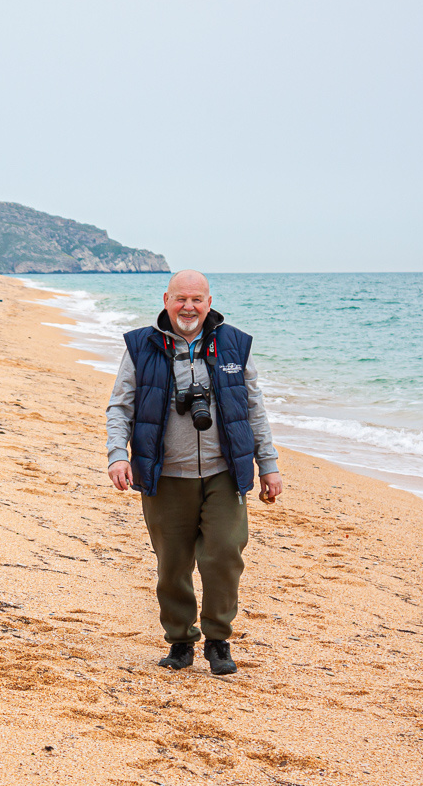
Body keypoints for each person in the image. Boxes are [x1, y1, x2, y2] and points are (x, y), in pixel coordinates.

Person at [106, 270, 283, 675]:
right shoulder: (141, 345)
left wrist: (268, 465)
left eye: (197, 300)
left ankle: (218, 640)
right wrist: (118, 455)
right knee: (172, 562)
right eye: (181, 299)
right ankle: (181, 641)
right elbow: (120, 406)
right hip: (165, 474)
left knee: (224, 551)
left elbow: (254, 408)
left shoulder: (236, 344)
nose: (189, 307)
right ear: (166, 299)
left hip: (225, 471)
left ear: (209, 301)